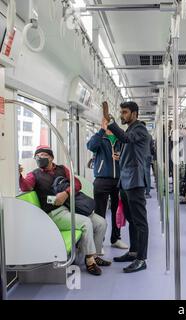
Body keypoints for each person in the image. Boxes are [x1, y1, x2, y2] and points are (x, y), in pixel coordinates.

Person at [19, 145, 110, 276]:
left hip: (71, 206)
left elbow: (77, 184)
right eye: (37, 157)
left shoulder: (62, 169)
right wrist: (19, 176)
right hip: (54, 213)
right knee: (86, 223)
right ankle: (90, 260)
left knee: (101, 223)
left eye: (43, 155)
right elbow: (26, 186)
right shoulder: (34, 174)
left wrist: (66, 193)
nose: (40, 158)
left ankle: (94, 255)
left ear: (51, 157)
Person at [103, 101, 150, 273]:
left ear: (134, 113)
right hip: (125, 181)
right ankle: (133, 251)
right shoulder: (131, 129)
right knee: (131, 220)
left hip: (135, 181)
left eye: (124, 112)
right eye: (121, 112)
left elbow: (126, 139)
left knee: (140, 222)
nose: (122, 115)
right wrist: (120, 156)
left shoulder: (139, 129)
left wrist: (110, 120)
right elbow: (129, 147)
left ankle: (141, 259)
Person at [87, 123, 128, 250]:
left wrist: (121, 158)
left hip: (119, 179)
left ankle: (116, 239)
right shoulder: (100, 137)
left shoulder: (121, 139)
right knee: (100, 212)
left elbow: (128, 155)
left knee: (118, 211)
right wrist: (101, 130)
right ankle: (100, 241)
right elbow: (91, 146)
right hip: (101, 179)